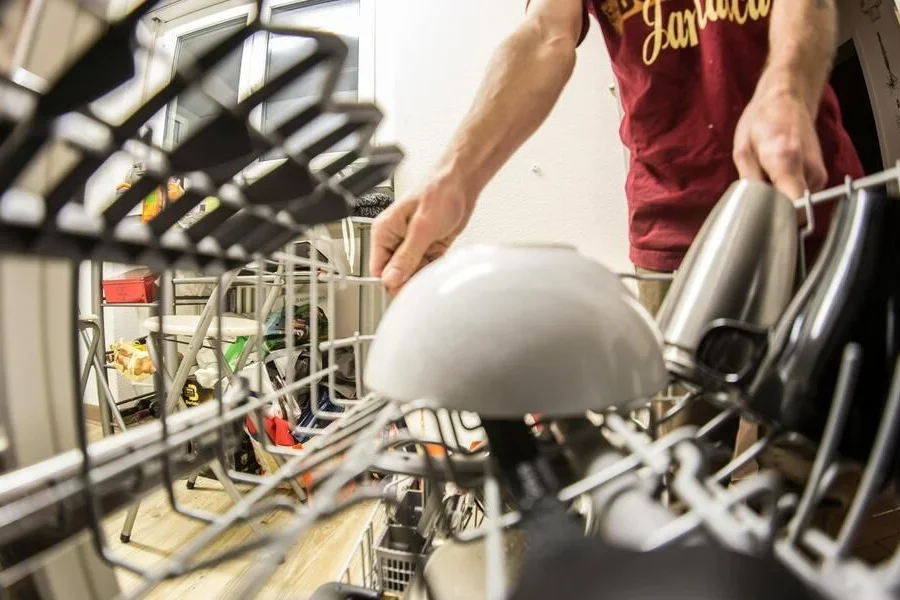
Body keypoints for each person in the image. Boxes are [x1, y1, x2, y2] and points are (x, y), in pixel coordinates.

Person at [368, 0, 895, 557]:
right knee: (683, 467)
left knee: (820, 473)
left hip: (809, 194)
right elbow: (547, 34)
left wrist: (786, 82)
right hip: (672, 228)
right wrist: (454, 179)